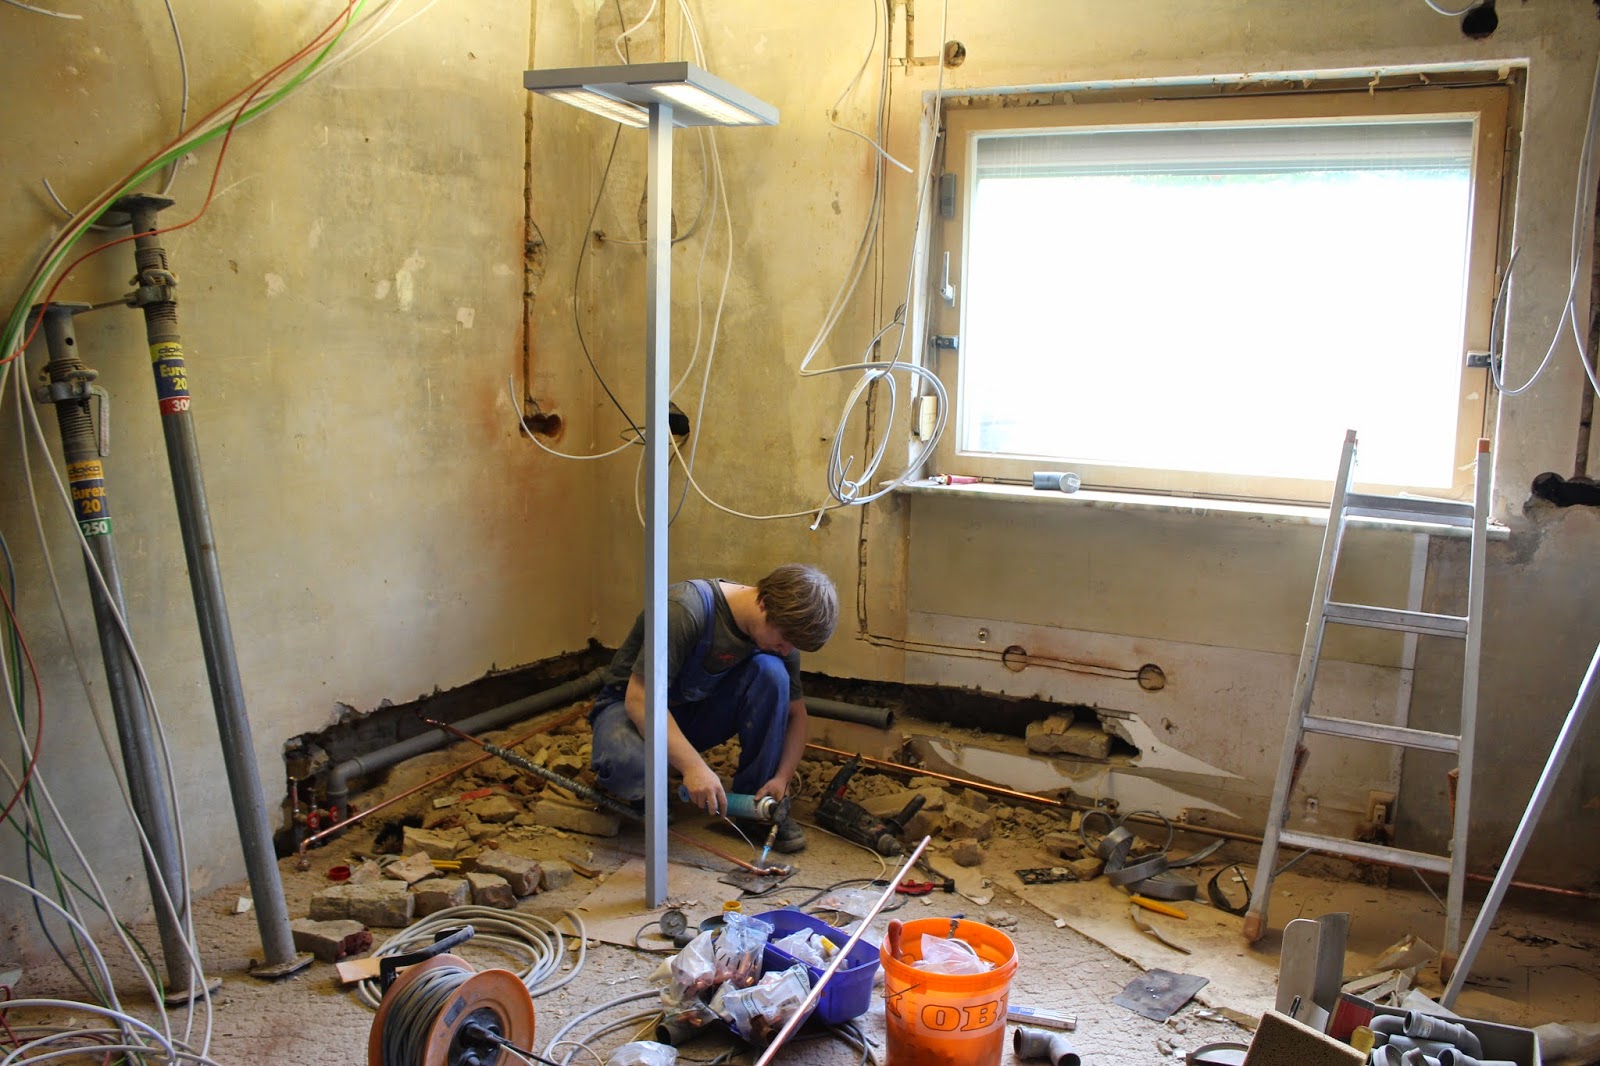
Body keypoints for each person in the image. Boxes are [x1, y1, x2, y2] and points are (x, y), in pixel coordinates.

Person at [587, 563, 838, 853]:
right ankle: (649, 788)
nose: (787, 650)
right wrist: (693, 766)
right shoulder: (684, 610)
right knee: (628, 765)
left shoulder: (780, 642)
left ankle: (754, 807)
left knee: (773, 674)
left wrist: (781, 778)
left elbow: (797, 715)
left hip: (692, 711)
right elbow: (639, 700)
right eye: (785, 640)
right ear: (764, 604)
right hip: (629, 709)